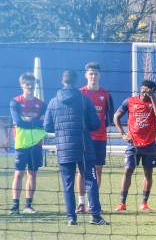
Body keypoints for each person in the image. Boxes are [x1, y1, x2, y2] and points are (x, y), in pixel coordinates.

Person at [43, 69, 109, 226]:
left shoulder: (53, 102)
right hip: (84, 147)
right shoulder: (84, 100)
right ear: (76, 82)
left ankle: (71, 217)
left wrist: (61, 130)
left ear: (62, 81)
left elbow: (47, 126)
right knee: (91, 181)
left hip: (64, 149)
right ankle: (95, 216)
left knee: (68, 184)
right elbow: (95, 124)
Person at [113, 79, 156, 212]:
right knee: (128, 170)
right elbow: (116, 116)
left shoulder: (155, 103)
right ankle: (122, 203)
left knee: (148, 173)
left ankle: (144, 204)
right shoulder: (130, 101)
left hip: (149, 144)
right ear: (141, 88)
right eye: (144, 88)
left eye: (149, 90)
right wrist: (122, 134)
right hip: (133, 143)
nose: (145, 91)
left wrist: (152, 97)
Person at [78, 62, 114, 212]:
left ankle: (94, 202)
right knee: (81, 171)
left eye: (96, 73)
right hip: (84, 139)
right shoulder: (80, 93)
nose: (93, 76)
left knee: (98, 170)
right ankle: (81, 203)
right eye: (91, 73)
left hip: (100, 139)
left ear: (100, 75)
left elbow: (110, 117)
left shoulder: (105, 94)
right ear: (86, 75)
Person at [9, 73, 46, 215]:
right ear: (22, 85)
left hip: (36, 144)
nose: (30, 87)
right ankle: (15, 206)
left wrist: (29, 122)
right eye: (27, 85)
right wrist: (35, 122)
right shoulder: (15, 102)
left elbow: (45, 123)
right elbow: (18, 122)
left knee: (32, 174)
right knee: (18, 174)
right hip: (21, 144)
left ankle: (28, 205)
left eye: (32, 84)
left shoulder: (41, 104)